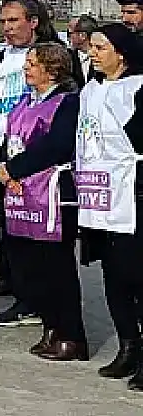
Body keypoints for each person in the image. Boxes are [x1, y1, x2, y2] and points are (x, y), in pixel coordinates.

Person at [0, 0, 77, 328]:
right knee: (15, 234)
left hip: (41, 175)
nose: (6, 28)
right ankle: (20, 290)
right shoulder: (1, 58)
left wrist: (16, 167)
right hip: (8, 161)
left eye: (13, 21)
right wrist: (1, 163)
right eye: (3, 21)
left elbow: (59, 135)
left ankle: (49, 311)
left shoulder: (59, 77)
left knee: (45, 247)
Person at [0, 43, 85, 361]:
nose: (26, 68)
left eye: (33, 63)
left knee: (56, 267)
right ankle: (49, 325)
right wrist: (3, 166)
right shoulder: (25, 100)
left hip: (52, 195)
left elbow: (57, 145)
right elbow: (11, 138)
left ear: (53, 69)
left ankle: (70, 334)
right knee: (29, 266)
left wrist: (14, 168)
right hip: (21, 194)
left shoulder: (67, 102)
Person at [77, 23, 143, 390]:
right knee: (113, 276)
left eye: (100, 47)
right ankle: (128, 346)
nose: (92, 53)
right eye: (91, 47)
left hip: (133, 194)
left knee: (137, 276)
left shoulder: (139, 88)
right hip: (98, 196)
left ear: (122, 53)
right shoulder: (90, 90)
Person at [68, 14, 99, 80]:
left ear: (82, 35)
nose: (68, 38)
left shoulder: (102, 58)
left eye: (70, 33)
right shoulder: (67, 58)